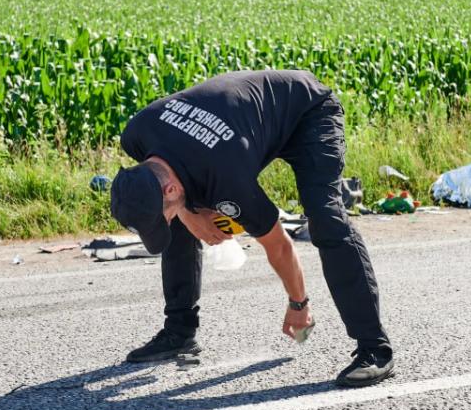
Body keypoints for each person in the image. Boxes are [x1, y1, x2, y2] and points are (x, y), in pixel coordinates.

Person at [109, 70, 395, 387]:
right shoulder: (137, 133)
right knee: (174, 215)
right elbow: (170, 190)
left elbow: (279, 245)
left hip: (308, 111)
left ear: (170, 189)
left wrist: (298, 304)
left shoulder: (228, 180)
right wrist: (190, 214)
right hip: (239, 127)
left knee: (326, 218)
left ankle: (375, 348)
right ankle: (179, 332)